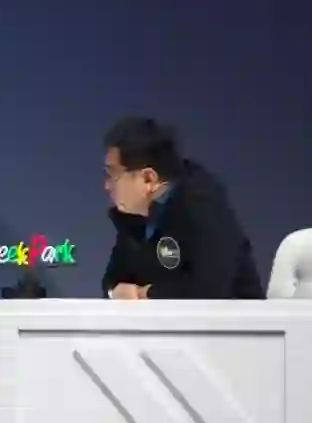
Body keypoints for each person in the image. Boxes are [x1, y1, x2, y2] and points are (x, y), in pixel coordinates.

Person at [102, 117, 263, 300]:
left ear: (148, 179)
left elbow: (209, 289)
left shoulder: (203, 206)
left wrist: (144, 293)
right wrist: (117, 291)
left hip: (236, 317)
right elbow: (113, 280)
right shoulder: (134, 217)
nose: (107, 186)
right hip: (167, 317)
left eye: (112, 174)